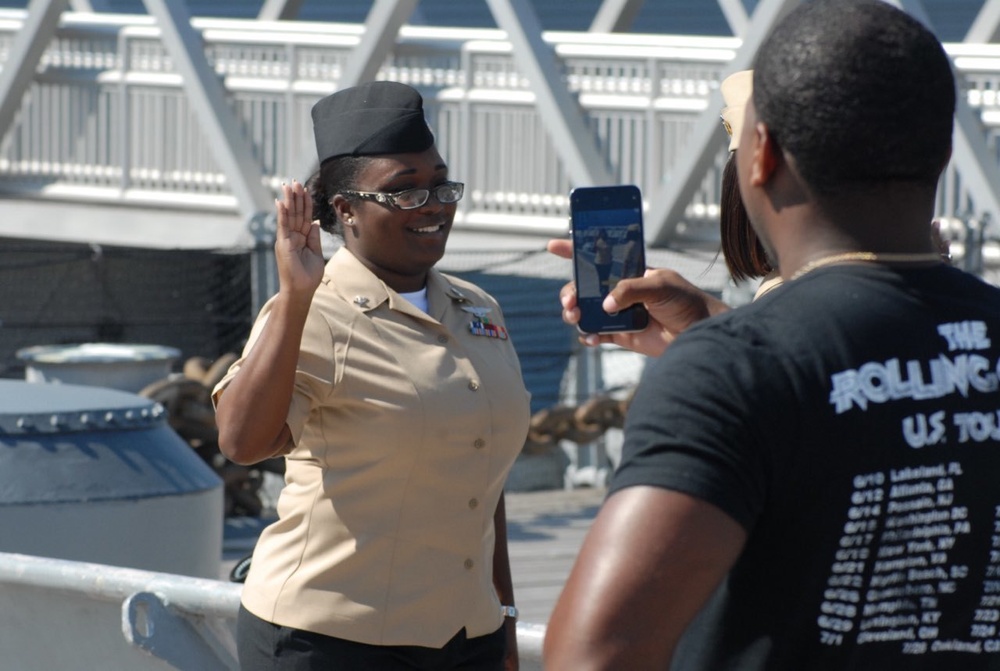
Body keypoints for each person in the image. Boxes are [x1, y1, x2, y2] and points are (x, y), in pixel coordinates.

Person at [544, 2, 1000, 669]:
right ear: (941, 150)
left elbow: (597, 653)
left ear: (761, 154)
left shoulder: (734, 369)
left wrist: (715, 355)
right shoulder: (738, 362)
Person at [213, 80, 530, 670]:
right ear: (345, 210)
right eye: (403, 192)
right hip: (329, 642)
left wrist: (503, 618)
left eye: (440, 184)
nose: (433, 203)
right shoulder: (314, 310)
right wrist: (294, 296)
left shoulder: (478, 308)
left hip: (465, 638)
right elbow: (242, 441)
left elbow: (484, 481)